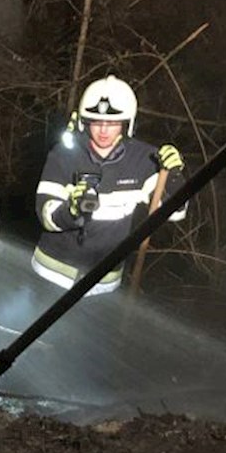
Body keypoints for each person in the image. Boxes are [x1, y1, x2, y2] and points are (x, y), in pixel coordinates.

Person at [31, 75, 186, 297]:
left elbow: (175, 212)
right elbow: (46, 215)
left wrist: (173, 177)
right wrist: (71, 211)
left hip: (103, 285)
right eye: (96, 122)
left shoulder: (146, 160)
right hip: (51, 274)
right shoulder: (64, 155)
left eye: (112, 123)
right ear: (85, 121)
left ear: (126, 123)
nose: (103, 130)